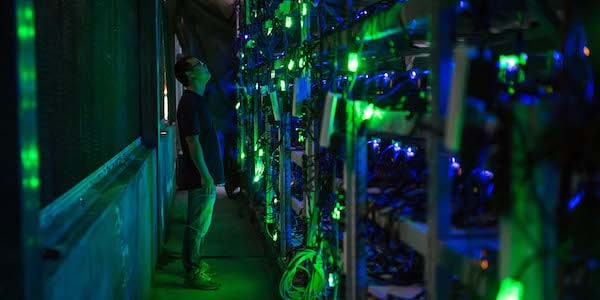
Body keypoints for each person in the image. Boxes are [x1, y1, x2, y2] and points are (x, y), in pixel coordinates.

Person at [174, 56, 225, 290]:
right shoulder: (189, 103)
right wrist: (205, 175)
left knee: (201, 224)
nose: (205, 65)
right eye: (199, 65)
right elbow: (192, 142)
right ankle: (192, 271)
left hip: (205, 174)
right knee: (196, 225)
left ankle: (196, 264)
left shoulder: (197, 100)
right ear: (190, 75)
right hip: (200, 176)